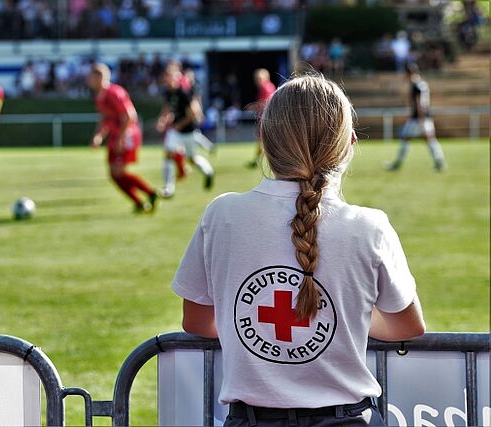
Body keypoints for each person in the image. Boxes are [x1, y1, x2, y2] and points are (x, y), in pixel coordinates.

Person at [172, 74, 426, 426]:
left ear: (264, 141)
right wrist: (342, 320)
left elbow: (197, 320)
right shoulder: (371, 226)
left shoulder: (222, 214)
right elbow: (406, 326)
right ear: (350, 144)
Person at [87, 63, 158, 213]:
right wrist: (99, 136)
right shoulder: (100, 95)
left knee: (118, 172)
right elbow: (106, 118)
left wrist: (120, 138)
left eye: (91, 76)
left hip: (126, 135)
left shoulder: (114, 92)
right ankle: (142, 200)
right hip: (116, 135)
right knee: (114, 174)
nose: (88, 79)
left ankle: (148, 194)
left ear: (99, 77)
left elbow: (129, 116)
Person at [157, 67, 215, 198]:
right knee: (168, 155)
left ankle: (208, 171)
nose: (168, 80)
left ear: (176, 78)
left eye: (170, 77)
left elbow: (193, 114)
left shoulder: (184, 93)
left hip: (188, 131)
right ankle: (168, 188)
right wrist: (162, 120)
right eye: (166, 78)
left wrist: (179, 125)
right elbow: (167, 107)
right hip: (176, 132)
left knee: (192, 159)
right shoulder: (167, 92)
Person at [385, 63, 446, 172]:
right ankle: (440, 163)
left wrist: (420, 118)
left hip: (418, 119)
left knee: (406, 139)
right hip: (424, 117)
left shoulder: (416, 85)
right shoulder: (423, 84)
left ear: (409, 73)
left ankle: (397, 164)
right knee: (430, 140)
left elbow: (419, 103)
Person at [247, 68, 276, 168]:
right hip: (267, 117)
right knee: (262, 141)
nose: (257, 81)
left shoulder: (265, 88)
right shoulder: (270, 86)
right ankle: (256, 161)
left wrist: (253, 107)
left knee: (263, 141)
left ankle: (260, 161)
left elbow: (265, 103)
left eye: (259, 78)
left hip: (266, 118)